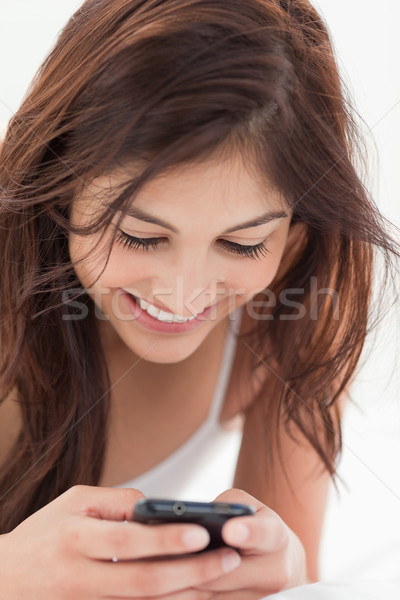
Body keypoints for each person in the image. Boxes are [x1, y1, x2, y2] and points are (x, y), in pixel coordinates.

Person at [0, 0, 398, 597]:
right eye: (140, 234)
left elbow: (284, 584)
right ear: (60, 191)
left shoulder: (297, 304)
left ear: (292, 234)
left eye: (242, 245)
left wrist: (283, 573)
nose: (184, 294)